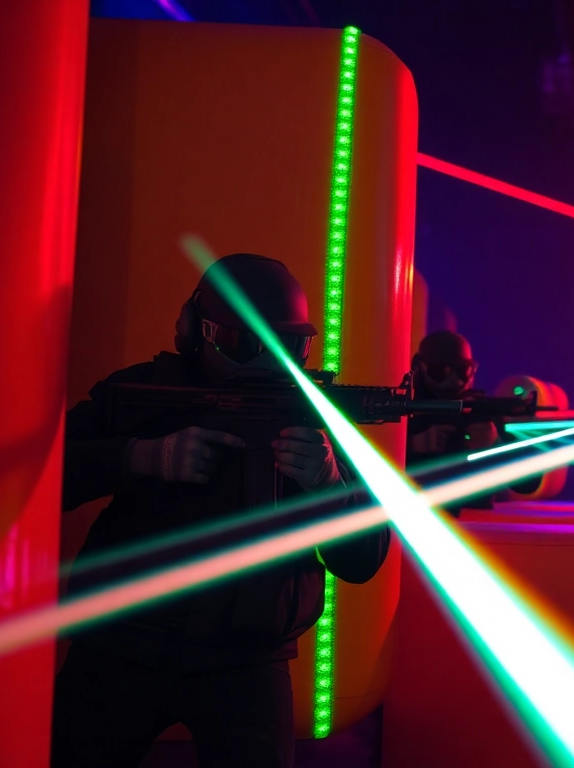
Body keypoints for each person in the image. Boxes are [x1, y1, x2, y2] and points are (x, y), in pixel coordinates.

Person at [54, 254, 391, 768]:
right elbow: (47, 479)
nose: (267, 365)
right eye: (243, 345)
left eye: (288, 346)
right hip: (122, 644)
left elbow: (363, 561)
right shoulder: (145, 393)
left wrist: (330, 488)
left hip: (247, 660)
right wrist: (141, 456)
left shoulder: (313, 416)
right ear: (198, 331)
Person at [406, 330, 538, 511]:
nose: (453, 380)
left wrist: (496, 446)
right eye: (440, 371)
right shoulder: (404, 411)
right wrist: (411, 446)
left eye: (462, 370)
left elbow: (528, 484)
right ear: (420, 367)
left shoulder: (481, 412)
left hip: (474, 522)